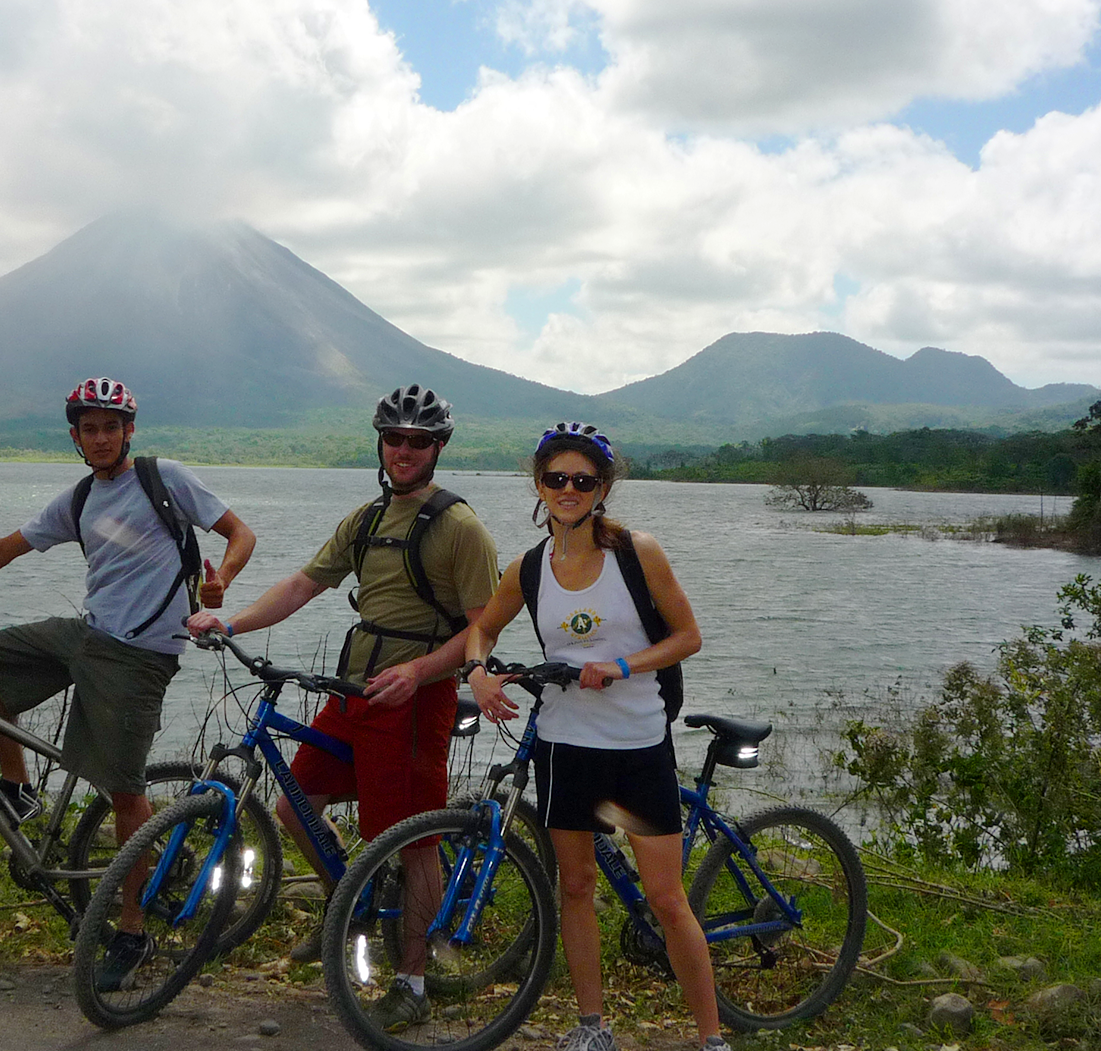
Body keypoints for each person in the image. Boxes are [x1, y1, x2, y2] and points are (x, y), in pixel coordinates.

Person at [0, 376, 256, 991]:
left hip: (139, 656)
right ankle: (17, 786)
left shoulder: (166, 480)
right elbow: (5, 548)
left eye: (112, 426)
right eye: (91, 428)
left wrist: (223, 584)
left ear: (128, 432)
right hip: (86, 637)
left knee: (124, 792)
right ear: (77, 437)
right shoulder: (81, 498)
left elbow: (240, 534)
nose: (102, 437)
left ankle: (132, 932)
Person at [186, 384, 498, 1031]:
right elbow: (304, 583)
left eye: (418, 441)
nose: (404, 450)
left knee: (411, 841)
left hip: (414, 702)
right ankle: (350, 905)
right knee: (294, 806)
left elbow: (481, 633)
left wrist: (417, 670)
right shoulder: (365, 519)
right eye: (394, 439)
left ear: (438, 447)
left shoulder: (461, 529)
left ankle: (412, 980)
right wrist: (232, 623)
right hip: (353, 690)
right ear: (380, 444)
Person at [461, 422, 727, 1051]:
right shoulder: (528, 568)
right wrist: (476, 671)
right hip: (563, 743)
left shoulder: (637, 553)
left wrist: (623, 666)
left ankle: (712, 1038)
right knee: (575, 887)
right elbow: (484, 630)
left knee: (665, 898)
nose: (569, 489)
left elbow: (687, 636)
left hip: (636, 747)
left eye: (583, 480)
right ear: (539, 485)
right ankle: (592, 1028)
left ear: (603, 487)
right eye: (557, 479)